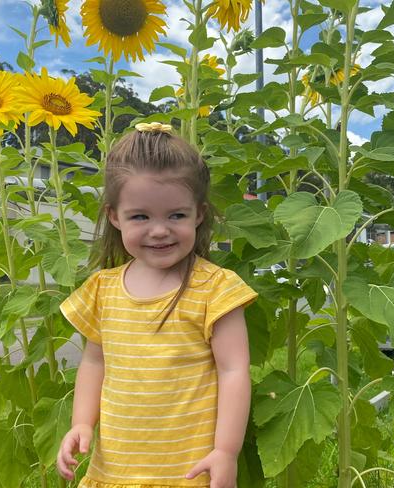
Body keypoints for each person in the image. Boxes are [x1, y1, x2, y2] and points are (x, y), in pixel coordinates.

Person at [56, 122, 257, 488]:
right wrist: (82, 422)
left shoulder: (216, 289)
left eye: (176, 215)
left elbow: (234, 372)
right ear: (115, 217)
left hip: (188, 470)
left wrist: (226, 451)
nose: (160, 230)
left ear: (199, 213)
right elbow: (94, 361)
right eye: (140, 216)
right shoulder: (102, 289)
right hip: (115, 469)